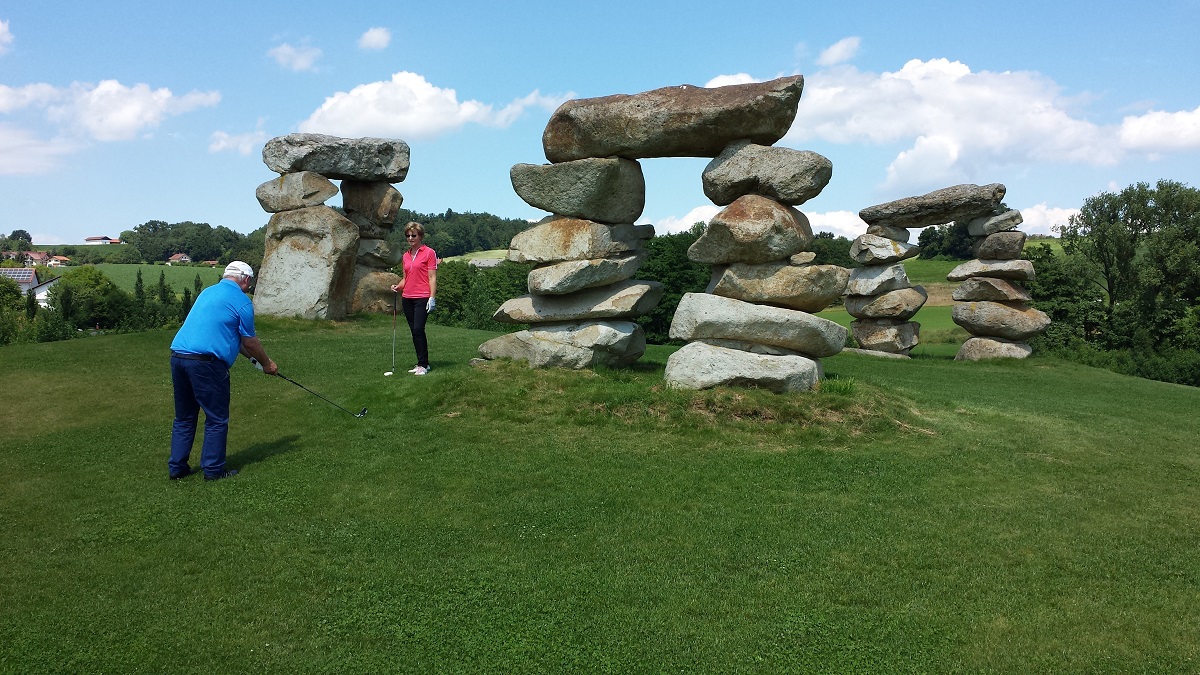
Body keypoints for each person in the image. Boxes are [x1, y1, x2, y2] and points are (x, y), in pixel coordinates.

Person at [168, 261, 277, 481]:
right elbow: (250, 341)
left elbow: (231, 338)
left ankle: (177, 468)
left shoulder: (207, 293)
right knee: (217, 418)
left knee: (185, 417)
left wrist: (253, 360)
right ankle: (213, 470)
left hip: (179, 357)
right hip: (207, 364)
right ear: (246, 279)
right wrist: (267, 364)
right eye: (250, 282)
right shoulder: (242, 302)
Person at [390, 222, 438, 376]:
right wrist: (398, 286)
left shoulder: (429, 253)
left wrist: (432, 297)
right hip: (407, 298)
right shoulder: (405, 255)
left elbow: (432, 277)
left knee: (418, 329)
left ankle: (423, 364)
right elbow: (406, 278)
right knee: (414, 332)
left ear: (420, 236)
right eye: (408, 235)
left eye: (413, 235)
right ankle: (422, 363)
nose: (410, 238)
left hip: (422, 297)